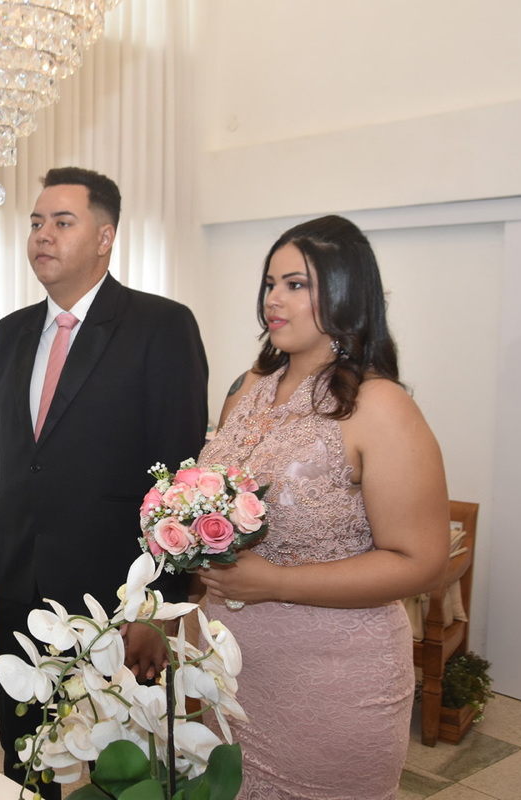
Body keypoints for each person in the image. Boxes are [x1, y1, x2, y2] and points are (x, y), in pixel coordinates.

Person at [0, 167, 208, 793]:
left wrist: (157, 606)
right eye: (36, 222)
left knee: (117, 770)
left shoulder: (160, 327)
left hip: (115, 601)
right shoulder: (10, 334)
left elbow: (180, 481)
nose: (42, 235)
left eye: (62, 222)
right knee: (27, 759)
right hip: (18, 590)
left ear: (104, 237)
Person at [197, 215, 450, 798]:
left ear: (345, 295)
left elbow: (421, 561)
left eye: (295, 284)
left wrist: (277, 581)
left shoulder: (380, 406)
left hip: (332, 681)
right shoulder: (247, 388)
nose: (273, 301)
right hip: (231, 669)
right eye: (269, 284)